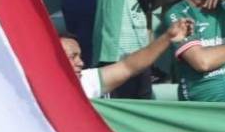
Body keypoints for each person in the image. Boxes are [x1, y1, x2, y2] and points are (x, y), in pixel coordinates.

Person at [62, 16, 191, 98]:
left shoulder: (86, 81)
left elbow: (129, 66)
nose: (81, 63)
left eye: (79, 56)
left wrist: (168, 37)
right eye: (72, 57)